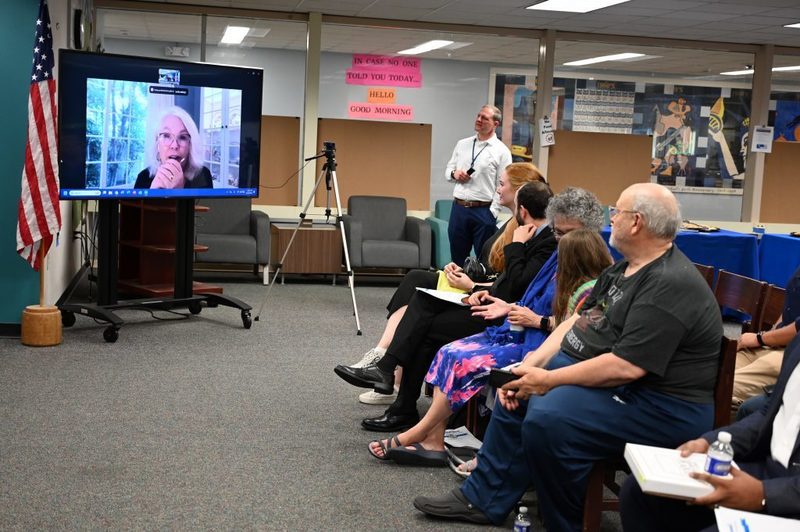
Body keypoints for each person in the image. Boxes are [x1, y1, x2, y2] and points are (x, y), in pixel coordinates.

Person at [412, 183, 723, 531]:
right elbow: (577, 320)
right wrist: (529, 367)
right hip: (623, 390)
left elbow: (626, 366)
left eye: (617, 212)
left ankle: (564, 523)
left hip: (659, 407)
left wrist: (547, 380)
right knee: (517, 386)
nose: (611, 218)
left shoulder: (668, 281)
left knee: (547, 417)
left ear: (636, 223)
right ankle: (483, 497)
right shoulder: (623, 270)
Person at [334, 187, 605, 434]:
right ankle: (391, 381)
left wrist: (514, 250)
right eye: (558, 231)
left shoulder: (556, 247)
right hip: (505, 308)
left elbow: (526, 287)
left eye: (565, 232)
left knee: (426, 323)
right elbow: (510, 281)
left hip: (519, 325)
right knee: (421, 295)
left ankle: (393, 383)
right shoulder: (539, 239)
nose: (560, 237)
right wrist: (481, 285)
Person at [367, 229, 612, 466]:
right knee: (449, 351)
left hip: (537, 345)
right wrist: (508, 306)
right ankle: (433, 439)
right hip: (523, 332)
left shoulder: (589, 290)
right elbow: (535, 306)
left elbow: (574, 328)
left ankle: (419, 432)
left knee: (465, 361)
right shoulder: (568, 282)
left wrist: (537, 320)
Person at [349, 162, 548, 405]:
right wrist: (469, 273)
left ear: (520, 195)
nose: (497, 189)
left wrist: (473, 285)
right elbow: (495, 268)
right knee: (417, 284)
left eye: (502, 183)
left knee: (423, 310)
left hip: (495, 304)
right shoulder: (511, 225)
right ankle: (384, 365)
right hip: (483, 290)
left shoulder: (529, 234)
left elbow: (514, 284)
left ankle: (386, 371)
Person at [619, 334, 800, 530]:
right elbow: (769, 414)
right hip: (767, 472)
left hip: (788, 496)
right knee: (640, 492)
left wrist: (764, 495)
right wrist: (709, 442)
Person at [446, 105, 513, 267]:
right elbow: (448, 170)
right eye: (478, 116)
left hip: (483, 211)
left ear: (496, 124)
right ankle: (456, 291)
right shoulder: (463, 144)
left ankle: (479, 290)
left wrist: (493, 212)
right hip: (459, 209)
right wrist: (454, 174)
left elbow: (503, 183)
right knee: (457, 259)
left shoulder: (502, 151)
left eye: (485, 118)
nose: (479, 120)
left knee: (485, 260)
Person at [732, 264, 800, 410]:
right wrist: (768, 337)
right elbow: (790, 308)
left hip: (793, 353)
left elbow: (798, 329)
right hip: (772, 343)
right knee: (713, 372)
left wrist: (760, 339)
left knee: (727, 386)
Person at [134, 106, 213, 190]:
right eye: (166, 136)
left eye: (182, 137)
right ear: (157, 143)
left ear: (190, 145)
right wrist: (152, 194)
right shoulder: (143, 177)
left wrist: (179, 192)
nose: (174, 145)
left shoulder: (203, 175)